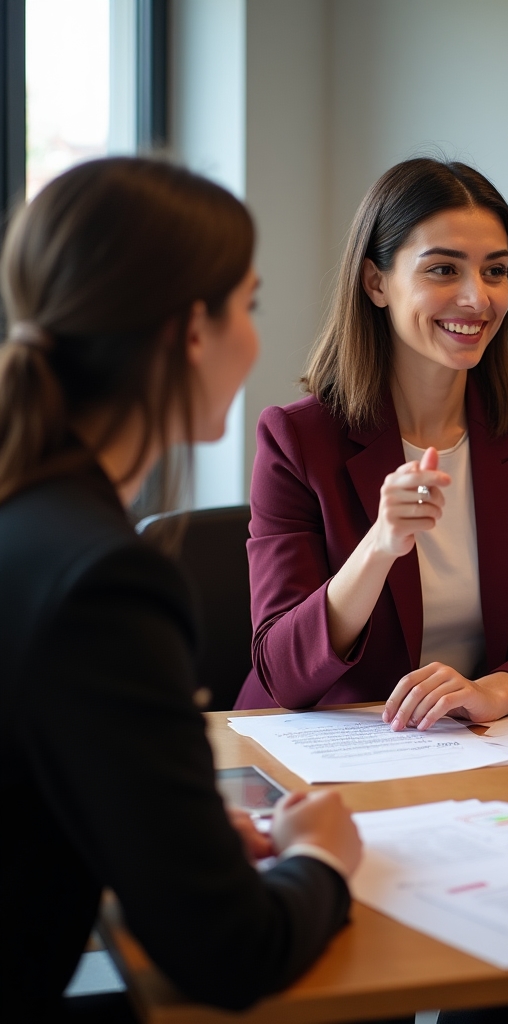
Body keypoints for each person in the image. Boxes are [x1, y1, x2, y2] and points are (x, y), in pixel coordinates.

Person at [0, 159, 370, 1021]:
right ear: (188, 332)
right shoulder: (106, 582)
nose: (255, 338)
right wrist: (319, 858)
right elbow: (231, 953)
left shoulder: (30, 519)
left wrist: (179, 835)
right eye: (250, 304)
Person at [236, 159, 508, 728]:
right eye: (443, 269)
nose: (476, 298)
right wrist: (380, 545)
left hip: (470, 745)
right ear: (376, 282)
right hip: (328, 747)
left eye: (495, 271)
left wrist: (497, 690)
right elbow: (282, 672)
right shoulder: (298, 439)